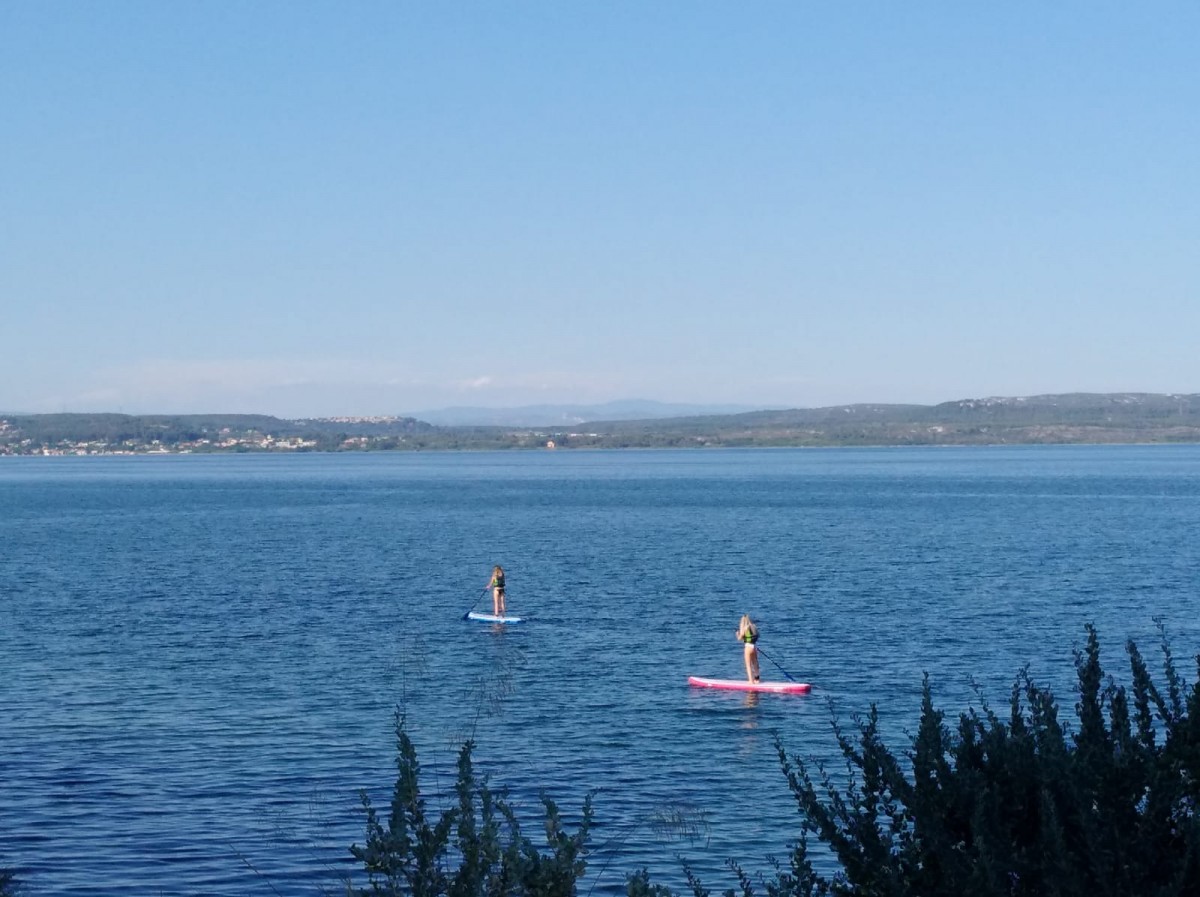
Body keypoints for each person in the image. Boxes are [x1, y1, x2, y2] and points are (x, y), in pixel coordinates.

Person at [736, 614, 760, 683]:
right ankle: (757, 679)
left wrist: (737, 634)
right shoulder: (754, 626)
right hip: (754, 646)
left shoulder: (745, 628)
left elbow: (740, 638)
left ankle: (751, 681)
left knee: (748, 665)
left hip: (748, 647)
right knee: (755, 663)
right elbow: (757, 635)